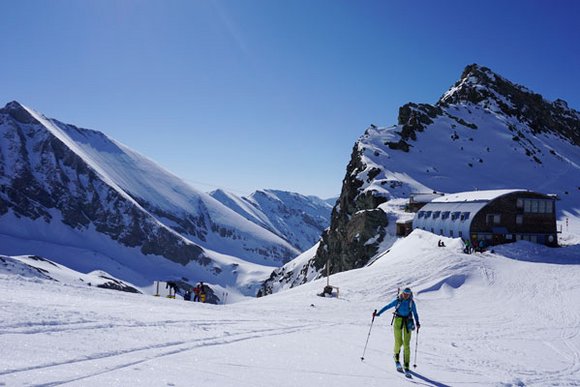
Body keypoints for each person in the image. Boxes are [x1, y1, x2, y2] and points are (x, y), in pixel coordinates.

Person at [374, 288, 420, 373]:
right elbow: (387, 306)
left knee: (406, 344)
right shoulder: (397, 301)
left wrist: (417, 322)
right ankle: (396, 358)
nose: (406, 295)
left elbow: (415, 313)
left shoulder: (411, 303)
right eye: (405, 293)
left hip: (408, 322)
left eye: (408, 294)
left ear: (410, 295)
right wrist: (378, 313)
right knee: (399, 342)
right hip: (398, 321)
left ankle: (406, 364)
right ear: (402, 293)